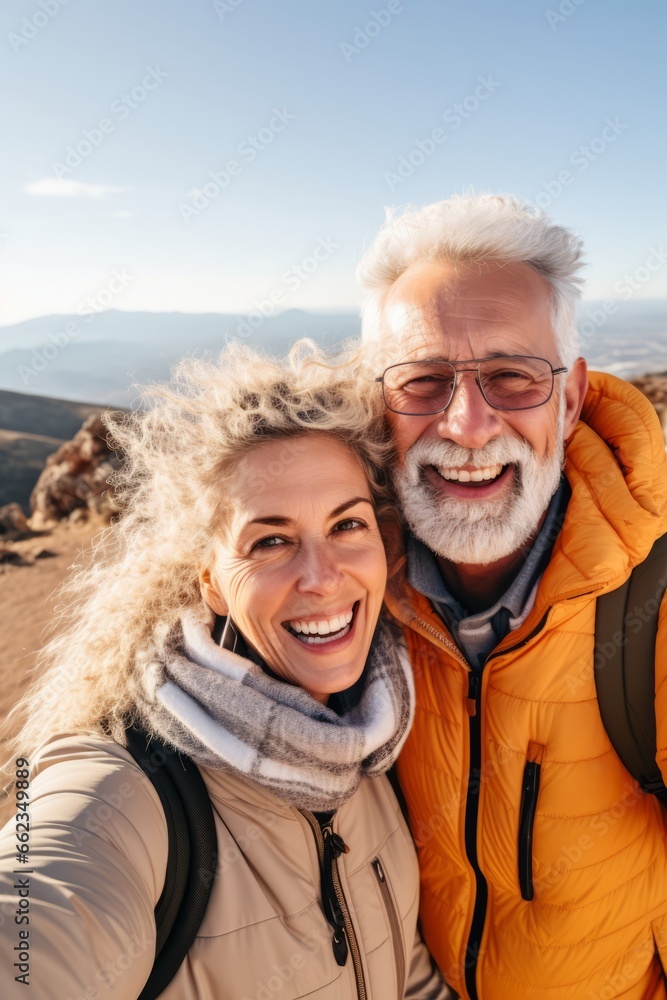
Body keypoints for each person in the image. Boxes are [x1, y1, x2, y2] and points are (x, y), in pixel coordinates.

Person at [0, 341, 451, 999]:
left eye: (346, 525)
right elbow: (40, 920)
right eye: (270, 540)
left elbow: (405, 975)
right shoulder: (128, 788)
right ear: (210, 582)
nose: (322, 578)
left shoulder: (376, 744)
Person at [357, 193, 667, 1000]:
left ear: (569, 401)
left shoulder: (653, 610)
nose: (465, 424)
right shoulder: (339, 593)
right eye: (422, 381)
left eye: (510, 376)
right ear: (374, 405)